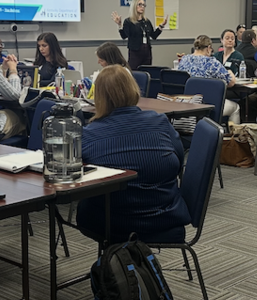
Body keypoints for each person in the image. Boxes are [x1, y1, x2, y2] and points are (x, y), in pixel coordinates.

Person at [76, 66, 190, 242]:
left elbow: (78, 180)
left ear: (98, 98)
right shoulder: (160, 122)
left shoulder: (89, 134)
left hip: (110, 224)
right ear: (134, 89)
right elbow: (179, 161)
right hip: (166, 217)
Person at [177, 35, 240, 124]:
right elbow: (231, 83)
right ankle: (233, 136)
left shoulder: (184, 60)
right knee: (235, 108)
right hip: (207, 105)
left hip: (186, 104)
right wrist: (230, 72)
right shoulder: (211, 62)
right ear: (209, 48)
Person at [111, 0, 166, 70]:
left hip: (147, 52)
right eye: (140, 4)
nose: (142, 7)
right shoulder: (129, 21)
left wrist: (161, 26)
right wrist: (119, 25)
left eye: (143, 5)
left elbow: (153, 36)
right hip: (135, 52)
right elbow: (124, 36)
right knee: (134, 72)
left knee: (147, 72)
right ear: (134, 6)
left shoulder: (146, 21)